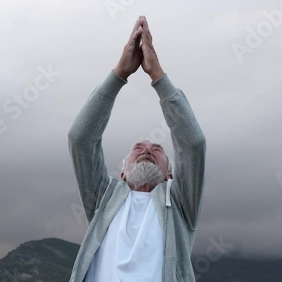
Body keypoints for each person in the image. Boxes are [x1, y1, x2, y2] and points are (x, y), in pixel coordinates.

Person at [68, 15, 206, 282]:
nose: (147, 149)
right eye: (138, 147)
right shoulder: (103, 199)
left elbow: (193, 144)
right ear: (122, 173)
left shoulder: (180, 205)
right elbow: (81, 139)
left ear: (170, 175)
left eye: (157, 148)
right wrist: (119, 73)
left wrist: (157, 75)